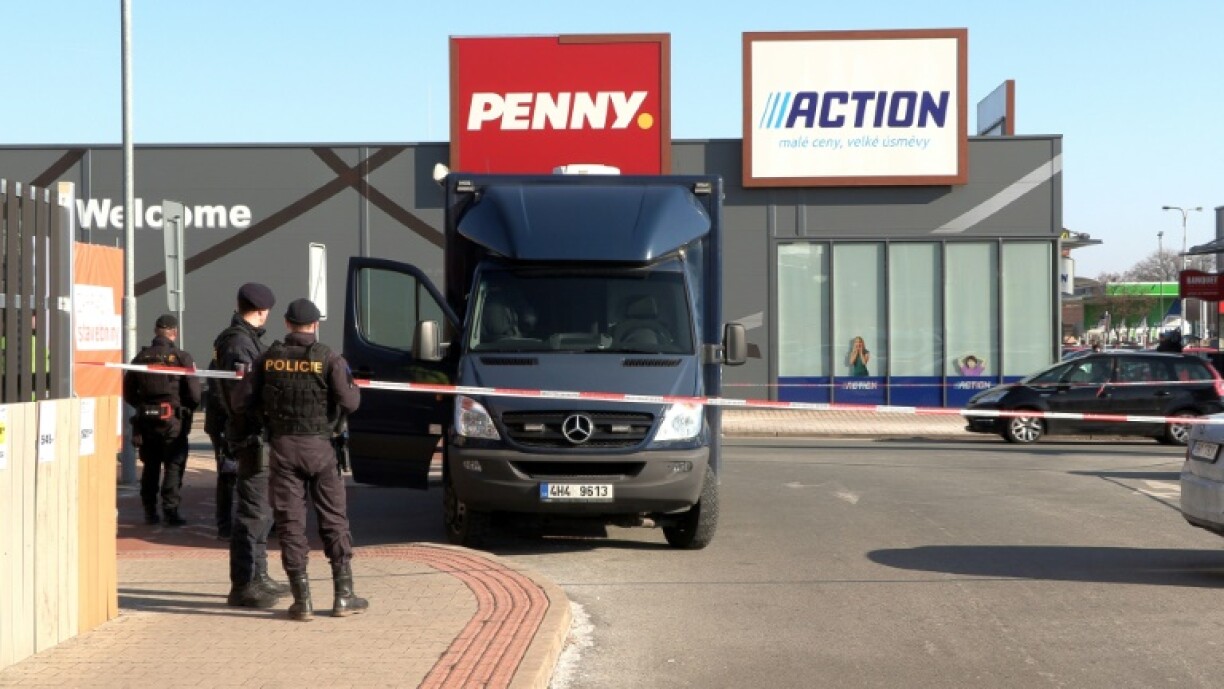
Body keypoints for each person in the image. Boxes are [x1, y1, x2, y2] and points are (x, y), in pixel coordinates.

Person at [230, 298, 365, 621]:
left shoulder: (268, 359)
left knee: (291, 525)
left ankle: (301, 600)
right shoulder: (329, 358)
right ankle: (343, 596)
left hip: (283, 450)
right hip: (320, 449)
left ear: (287, 324)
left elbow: (240, 401)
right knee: (334, 520)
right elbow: (350, 401)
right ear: (315, 325)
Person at [212, 282, 288, 609]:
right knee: (252, 512)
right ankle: (244, 584)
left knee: (262, 511)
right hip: (251, 436)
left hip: (256, 436)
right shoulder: (239, 345)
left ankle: (259, 575)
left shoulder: (246, 341)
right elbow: (241, 398)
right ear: (261, 310)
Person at [121, 314, 201, 526]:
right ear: (174, 333)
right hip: (173, 420)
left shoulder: (140, 358)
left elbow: (128, 392)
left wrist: (144, 407)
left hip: (147, 421)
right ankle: (170, 511)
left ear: (156, 331)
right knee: (174, 465)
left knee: (150, 467)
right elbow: (194, 394)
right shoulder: (182, 357)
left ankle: (150, 512)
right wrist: (184, 410)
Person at [203, 380, 237, 540]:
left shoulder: (219, 358)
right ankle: (225, 527)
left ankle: (225, 526)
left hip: (223, 422)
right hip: (227, 424)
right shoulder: (230, 357)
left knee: (228, 476)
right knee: (228, 475)